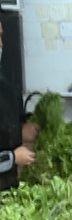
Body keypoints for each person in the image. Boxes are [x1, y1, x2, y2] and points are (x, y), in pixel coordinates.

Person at [0, 19, 38, 192]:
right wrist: (13, 157)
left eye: (1, 36)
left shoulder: (3, 82)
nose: (1, 44)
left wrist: (20, 132)